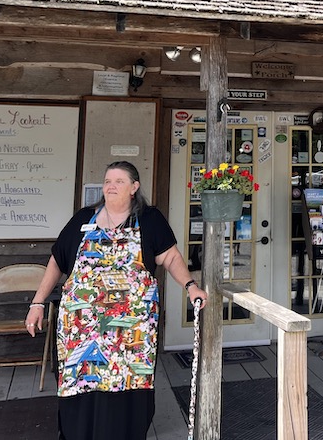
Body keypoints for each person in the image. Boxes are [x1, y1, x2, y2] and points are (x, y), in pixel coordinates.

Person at [25, 160, 207, 440]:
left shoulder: (149, 219)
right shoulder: (83, 218)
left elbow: (170, 257)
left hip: (130, 328)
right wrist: (37, 303)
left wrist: (190, 285)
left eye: (119, 181)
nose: (111, 186)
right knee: (81, 380)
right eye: (108, 181)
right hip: (82, 327)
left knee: (129, 380)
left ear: (134, 187)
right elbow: (57, 261)